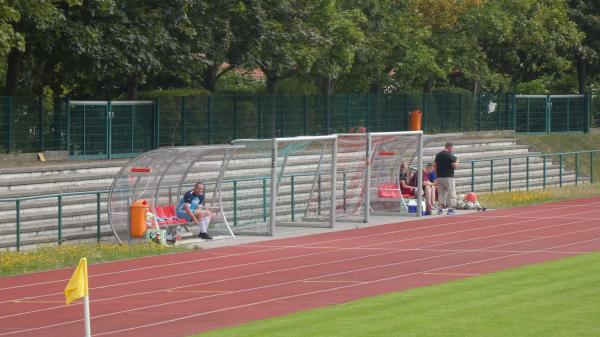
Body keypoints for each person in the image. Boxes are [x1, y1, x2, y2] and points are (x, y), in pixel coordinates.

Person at [434, 142, 459, 215]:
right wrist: (457, 161)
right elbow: (454, 166)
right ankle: (450, 209)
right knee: (451, 193)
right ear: (449, 147)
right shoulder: (450, 155)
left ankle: (440, 209)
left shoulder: (438, 155)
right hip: (449, 177)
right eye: (452, 148)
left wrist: (437, 175)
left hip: (440, 177)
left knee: (441, 193)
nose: (452, 149)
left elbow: (435, 166)